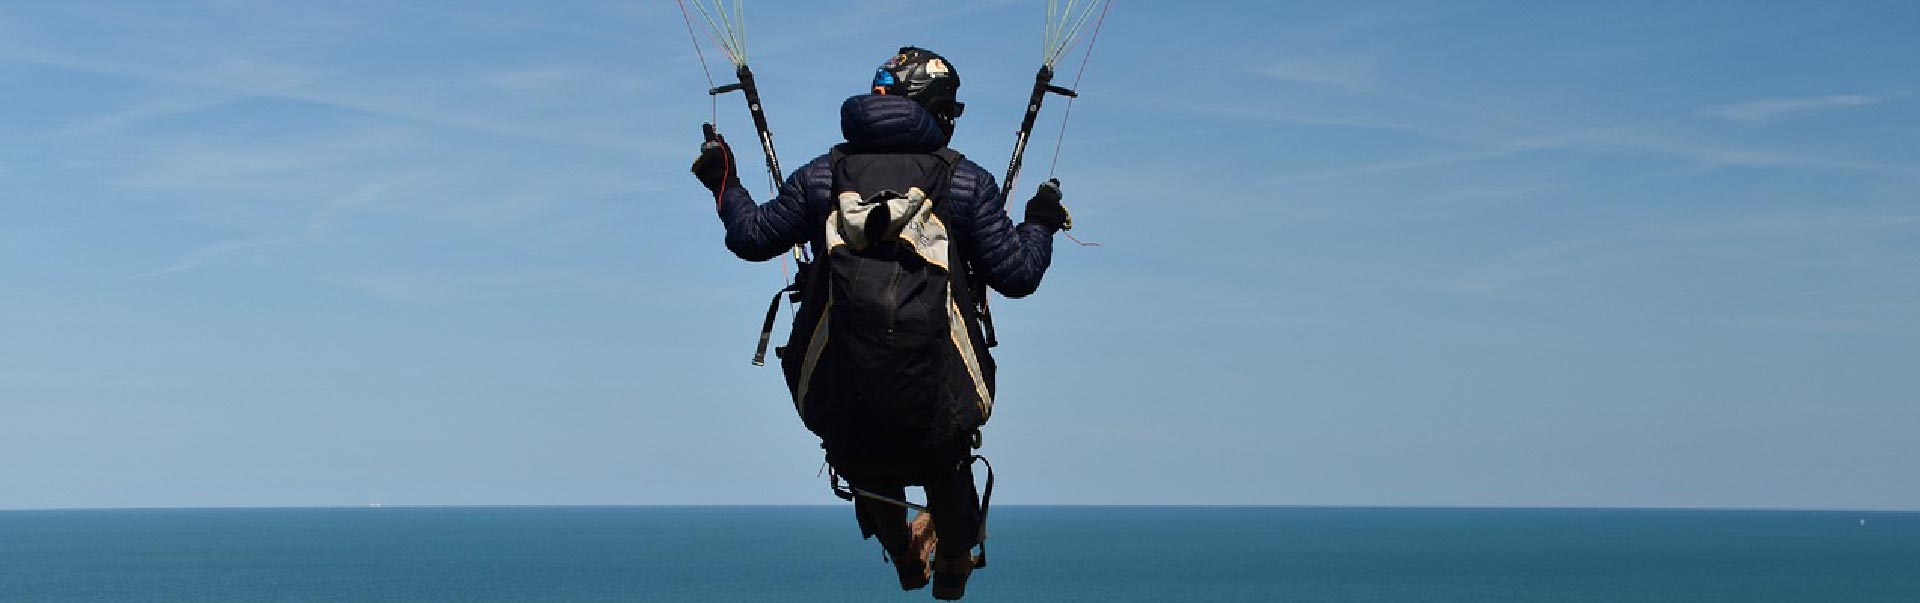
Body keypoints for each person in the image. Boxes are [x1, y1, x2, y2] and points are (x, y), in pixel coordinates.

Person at [691, 47, 1070, 600]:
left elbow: (751, 237)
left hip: (843, 405)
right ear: (936, 110)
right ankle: (955, 557)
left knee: (859, 442)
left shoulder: (823, 177)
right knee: (944, 450)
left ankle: (903, 553)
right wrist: (1040, 221)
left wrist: (724, 183)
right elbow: (1017, 273)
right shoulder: (964, 182)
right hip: (939, 405)